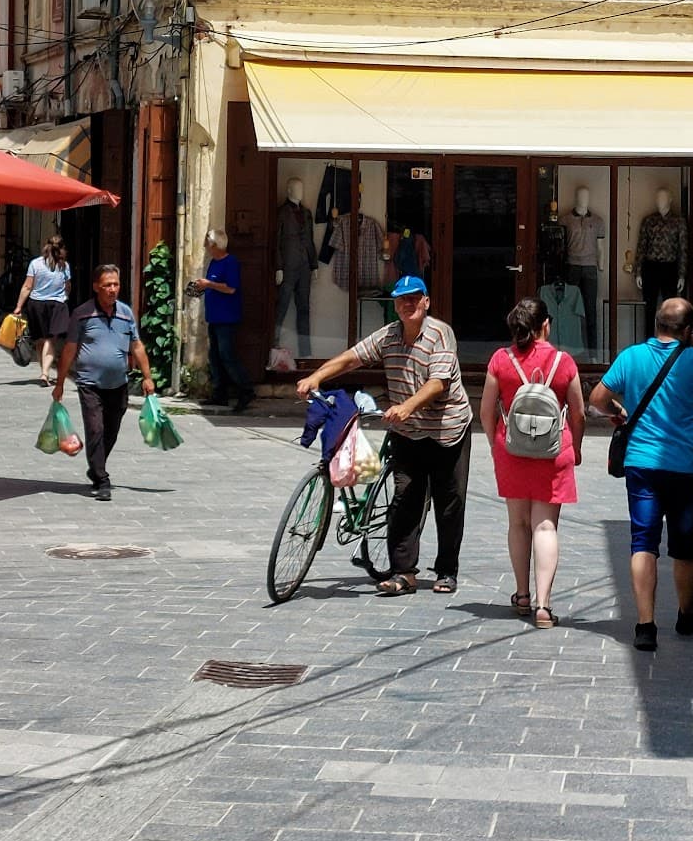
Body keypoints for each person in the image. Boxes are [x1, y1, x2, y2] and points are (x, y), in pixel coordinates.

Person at [296, 274, 472, 596]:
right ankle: (404, 572)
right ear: (395, 305)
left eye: (414, 298)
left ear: (426, 301)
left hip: (447, 428)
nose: (408, 304)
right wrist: (317, 375)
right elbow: (353, 357)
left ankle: (447, 570)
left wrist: (407, 406)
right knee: (406, 498)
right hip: (407, 430)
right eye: (402, 299)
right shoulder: (389, 336)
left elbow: (438, 383)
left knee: (450, 501)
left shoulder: (439, 334)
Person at [590, 297, 693, 652]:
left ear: (656, 324)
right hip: (686, 468)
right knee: (684, 547)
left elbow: (597, 397)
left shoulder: (631, 357)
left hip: (642, 465)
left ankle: (645, 626)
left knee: (643, 542)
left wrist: (618, 411)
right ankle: (686, 611)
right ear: (688, 330)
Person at [479, 297, 586, 628]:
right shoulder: (564, 361)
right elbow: (578, 411)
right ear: (546, 325)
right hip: (553, 451)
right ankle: (544, 605)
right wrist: (576, 447)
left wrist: (496, 444)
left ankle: (522, 594)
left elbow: (485, 410)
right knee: (545, 525)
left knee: (518, 523)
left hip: (512, 450)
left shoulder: (501, 359)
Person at [55, 264, 155, 502]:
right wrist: (59, 382)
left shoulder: (125, 313)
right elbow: (69, 349)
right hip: (89, 384)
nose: (112, 289)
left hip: (118, 384)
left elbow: (137, 346)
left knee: (111, 430)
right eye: (107, 285)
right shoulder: (81, 314)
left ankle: (95, 466)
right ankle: (102, 479)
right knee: (95, 429)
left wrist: (147, 376)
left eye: (116, 285)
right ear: (96, 287)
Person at [194, 229, 253, 413]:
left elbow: (231, 288)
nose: (207, 247)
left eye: (208, 243)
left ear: (215, 245)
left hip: (227, 317)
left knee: (228, 356)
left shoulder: (230, 262)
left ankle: (246, 390)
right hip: (215, 316)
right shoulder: (214, 262)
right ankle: (220, 393)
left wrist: (208, 284)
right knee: (215, 356)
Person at [15, 235, 72, 386]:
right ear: (61, 249)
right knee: (50, 340)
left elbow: (27, 286)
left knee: (41, 339)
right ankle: (45, 372)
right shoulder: (64, 266)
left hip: (36, 304)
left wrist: (19, 306)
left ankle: (44, 372)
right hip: (56, 305)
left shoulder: (35, 263)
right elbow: (68, 287)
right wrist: (64, 296)